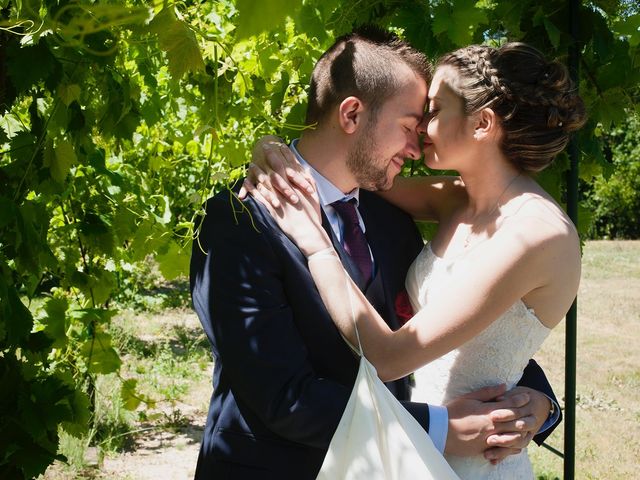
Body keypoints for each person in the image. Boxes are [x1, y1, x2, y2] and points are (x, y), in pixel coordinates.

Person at [191, 28, 560, 480]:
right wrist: (440, 428)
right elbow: (285, 399)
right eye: (409, 126)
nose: (417, 144)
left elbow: (457, 324)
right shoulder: (238, 221)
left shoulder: (387, 212)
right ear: (351, 114)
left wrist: (538, 401)